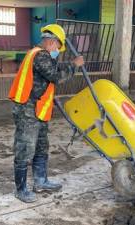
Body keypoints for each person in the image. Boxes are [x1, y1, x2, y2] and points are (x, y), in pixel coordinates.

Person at [8, 24, 84, 203]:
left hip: (38, 108)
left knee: (42, 146)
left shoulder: (42, 55)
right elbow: (56, 76)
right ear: (51, 42)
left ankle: (40, 181)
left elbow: (55, 66)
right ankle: (21, 189)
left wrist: (70, 64)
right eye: (58, 47)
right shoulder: (39, 56)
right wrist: (74, 65)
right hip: (28, 109)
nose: (58, 50)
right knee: (25, 148)